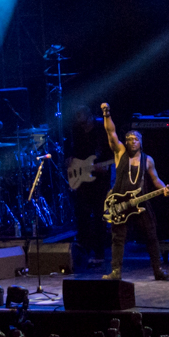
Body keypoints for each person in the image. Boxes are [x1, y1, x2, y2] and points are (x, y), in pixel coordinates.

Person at [100, 102, 169, 281]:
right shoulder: (120, 152)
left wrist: (165, 189)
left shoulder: (148, 160)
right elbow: (111, 133)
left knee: (152, 236)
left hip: (140, 202)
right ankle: (116, 272)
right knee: (118, 239)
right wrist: (106, 114)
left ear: (141, 142)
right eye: (129, 139)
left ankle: (158, 271)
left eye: (136, 139)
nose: (132, 142)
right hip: (120, 203)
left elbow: (156, 180)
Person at [66, 105, 112, 266]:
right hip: (82, 178)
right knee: (81, 213)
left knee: (100, 214)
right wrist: (70, 158)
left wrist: (104, 166)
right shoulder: (76, 130)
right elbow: (72, 150)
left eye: (80, 115)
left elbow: (111, 152)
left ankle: (99, 253)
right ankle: (84, 248)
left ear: (89, 115)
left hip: (100, 179)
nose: (78, 119)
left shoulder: (101, 129)